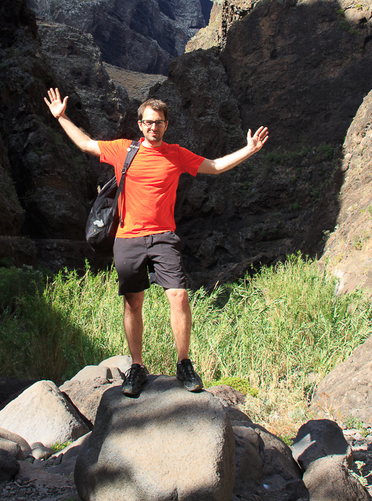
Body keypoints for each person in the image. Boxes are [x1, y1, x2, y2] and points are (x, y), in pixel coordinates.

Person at [44, 87, 268, 397]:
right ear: (140, 124)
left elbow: (215, 167)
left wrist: (249, 150)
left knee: (178, 296)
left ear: (166, 124)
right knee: (133, 303)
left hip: (164, 237)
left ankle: (184, 363)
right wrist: (62, 117)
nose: (153, 127)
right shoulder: (124, 149)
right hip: (128, 237)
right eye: (148, 122)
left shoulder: (176, 154)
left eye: (159, 122)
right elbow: (85, 143)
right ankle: (137, 366)